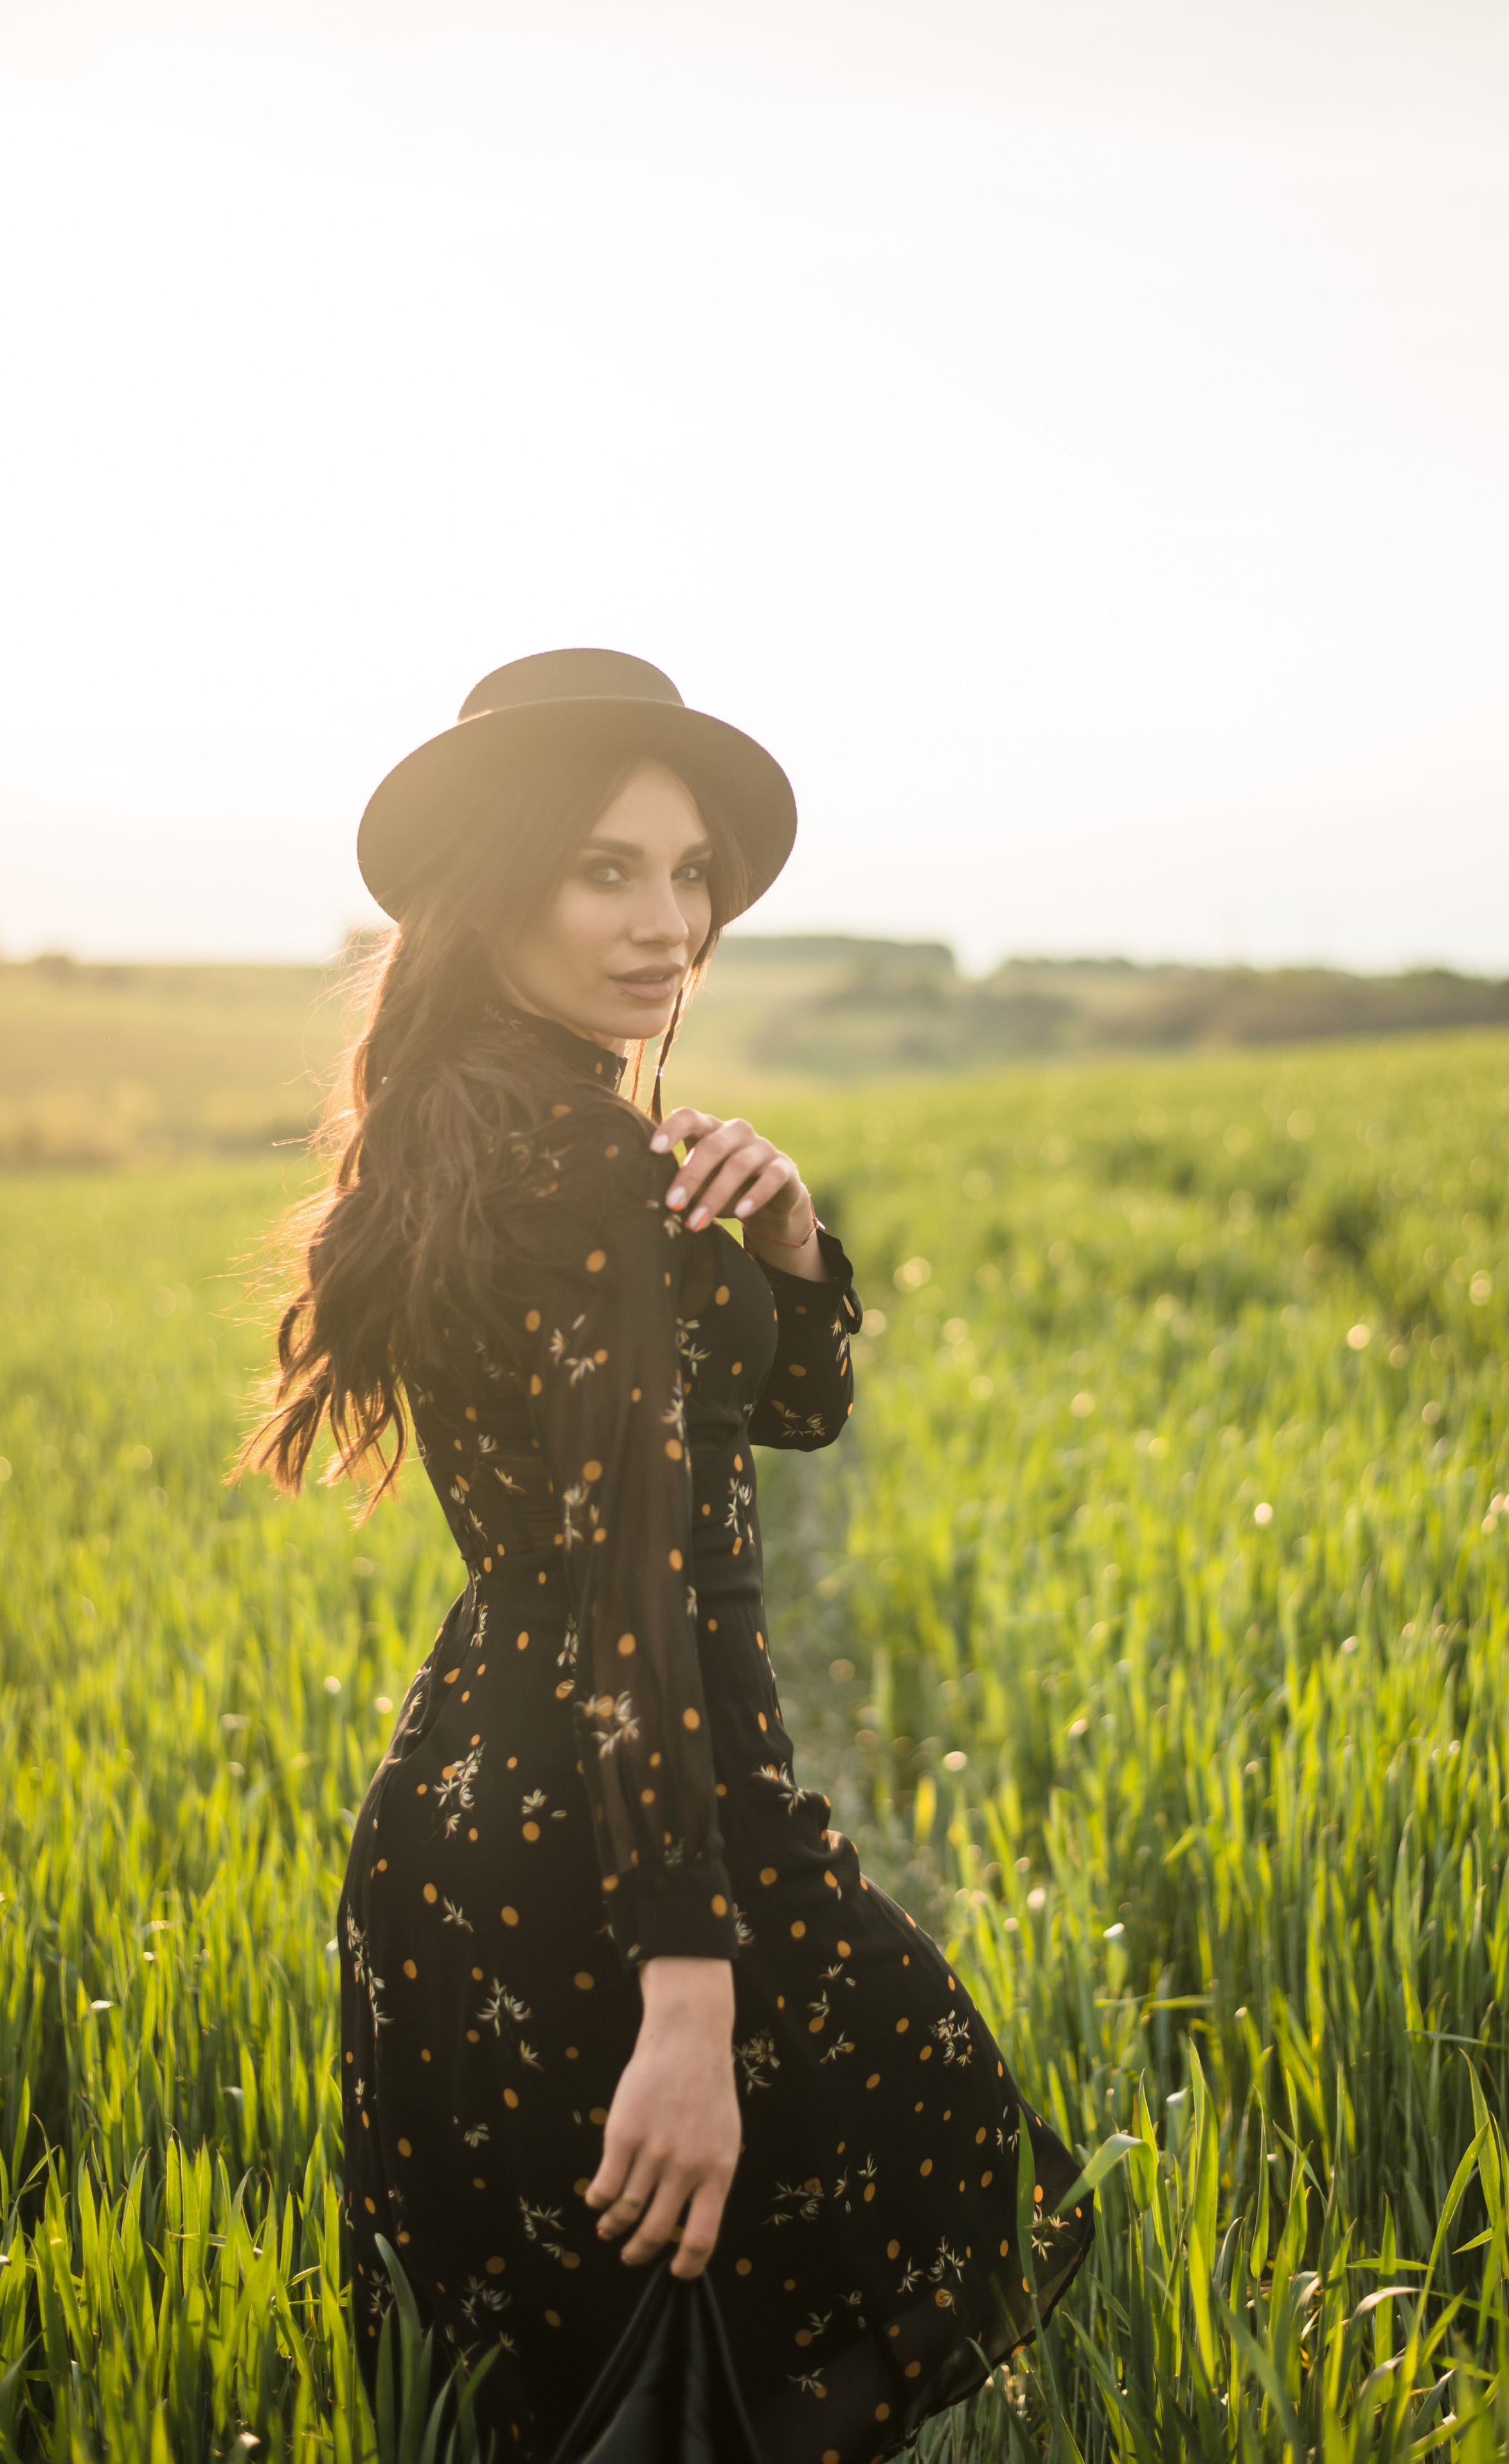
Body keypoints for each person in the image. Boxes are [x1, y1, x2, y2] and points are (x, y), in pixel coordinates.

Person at [239, 650, 1092, 2462]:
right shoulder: (593, 1172)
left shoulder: (467, 1122)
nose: (670, 924)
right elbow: (647, 1597)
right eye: (606, 870)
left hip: (460, 1828)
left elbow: (767, 1422)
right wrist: (689, 1993)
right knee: (973, 2196)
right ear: (497, 886)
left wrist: (785, 1247)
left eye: (690, 872)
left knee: (553, 2380)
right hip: (612, 1837)